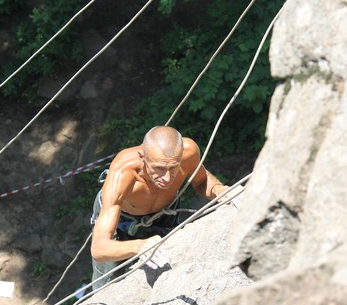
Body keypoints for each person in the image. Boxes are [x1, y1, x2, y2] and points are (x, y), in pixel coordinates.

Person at [89, 125, 239, 291]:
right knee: (106, 282)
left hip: (163, 213)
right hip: (122, 219)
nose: (167, 178)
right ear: (142, 157)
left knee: (171, 265)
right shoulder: (123, 172)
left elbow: (202, 181)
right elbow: (99, 247)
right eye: (159, 168)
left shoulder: (188, 152)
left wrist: (221, 190)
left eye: (174, 167)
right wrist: (138, 246)